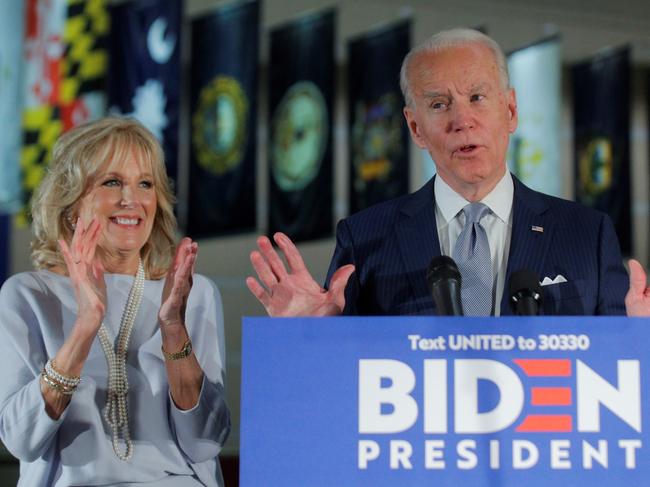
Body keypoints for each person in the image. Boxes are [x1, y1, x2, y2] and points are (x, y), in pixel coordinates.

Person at [247, 27, 646, 317]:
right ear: (415, 127)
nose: (462, 120)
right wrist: (310, 335)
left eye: (477, 97)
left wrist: (639, 345)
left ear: (510, 111)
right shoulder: (365, 239)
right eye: (438, 105)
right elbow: (341, 386)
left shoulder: (586, 234)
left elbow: (617, 376)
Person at [0, 117, 230, 486]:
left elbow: (206, 442)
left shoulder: (192, 292)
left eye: (145, 183)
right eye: (112, 182)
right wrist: (85, 325)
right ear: (71, 204)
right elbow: (21, 441)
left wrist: (173, 328)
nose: (132, 200)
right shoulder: (28, 295)